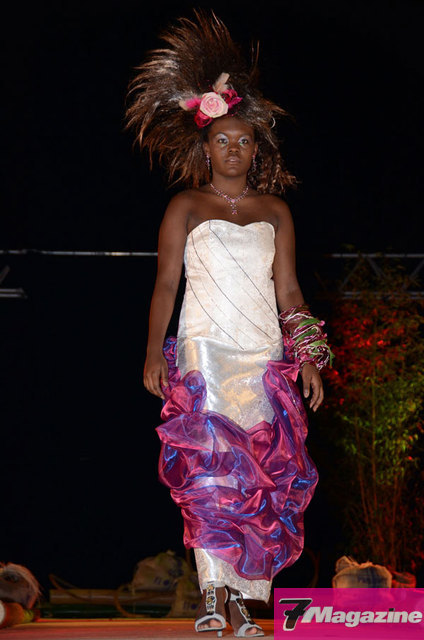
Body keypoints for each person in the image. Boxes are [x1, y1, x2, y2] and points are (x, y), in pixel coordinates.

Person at [126, 11, 332, 637]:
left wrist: (309, 356)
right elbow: (166, 284)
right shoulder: (185, 205)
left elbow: (289, 290)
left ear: (256, 150)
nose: (233, 149)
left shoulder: (275, 210)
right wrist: (154, 351)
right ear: (206, 147)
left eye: (243, 141)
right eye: (223, 140)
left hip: (263, 354)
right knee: (214, 472)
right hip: (206, 350)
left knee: (261, 478)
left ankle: (246, 601)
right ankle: (214, 593)